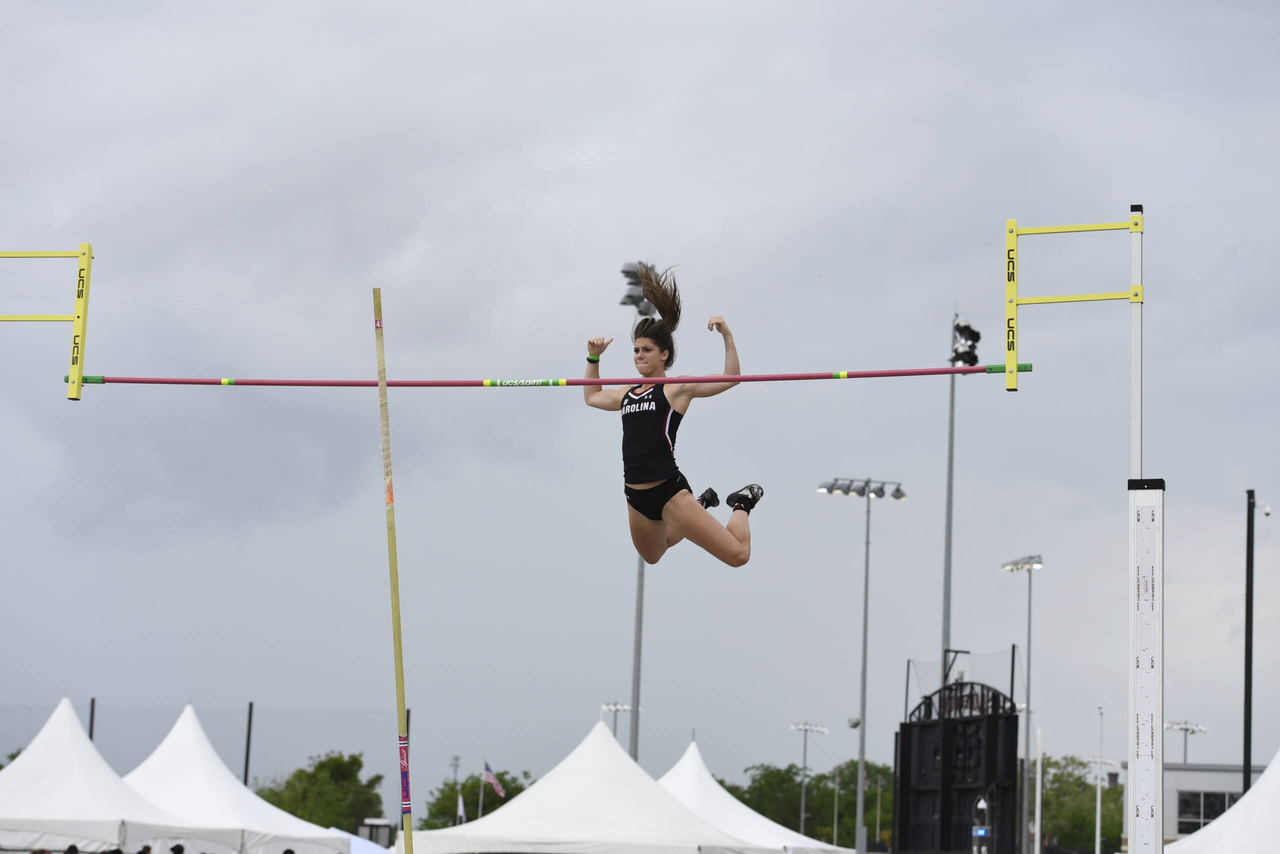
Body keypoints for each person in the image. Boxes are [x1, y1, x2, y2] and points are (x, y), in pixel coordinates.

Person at [584, 263, 762, 567]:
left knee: (738, 556)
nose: (639, 355)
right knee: (654, 555)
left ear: (664, 355)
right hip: (635, 495)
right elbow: (592, 396)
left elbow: (731, 378)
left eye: (646, 350)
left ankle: (741, 502)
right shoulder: (627, 391)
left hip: (668, 491)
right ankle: (703, 503)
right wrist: (594, 357)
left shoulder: (675, 389)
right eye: (636, 350)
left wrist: (727, 336)